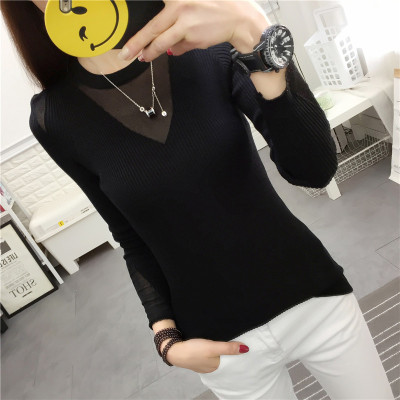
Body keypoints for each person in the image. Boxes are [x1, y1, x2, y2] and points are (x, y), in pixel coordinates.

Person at [1, 1, 394, 399]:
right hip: (220, 346)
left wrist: (252, 31)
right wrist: (166, 340)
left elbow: (314, 170)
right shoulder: (54, 117)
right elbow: (130, 235)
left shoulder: (208, 43)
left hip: (313, 296)